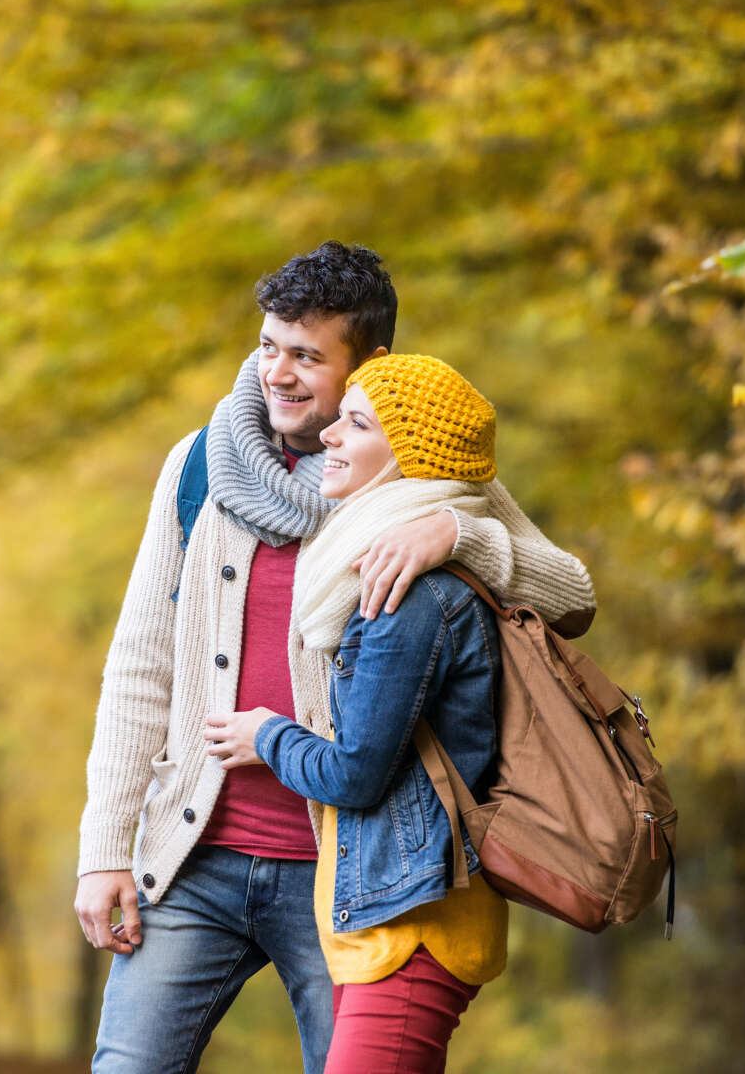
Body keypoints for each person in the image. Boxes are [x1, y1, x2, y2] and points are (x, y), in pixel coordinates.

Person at [75, 242, 595, 1074]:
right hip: (192, 853)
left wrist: (461, 534)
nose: (278, 373)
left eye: (307, 356)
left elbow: (573, 595)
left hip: (348, 873)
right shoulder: (200, 466)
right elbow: (140, 664)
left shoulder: (427, 481)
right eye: (269, 346)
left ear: (370, 364)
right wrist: (104, 849)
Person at [204, 355, 511, 1073]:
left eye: (357, 423)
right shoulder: (388, 563)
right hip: (394, 918)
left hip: (416, 924)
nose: (331, 436)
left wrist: (267, 734)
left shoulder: (406, 593)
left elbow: (356, 774)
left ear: (408, 459)